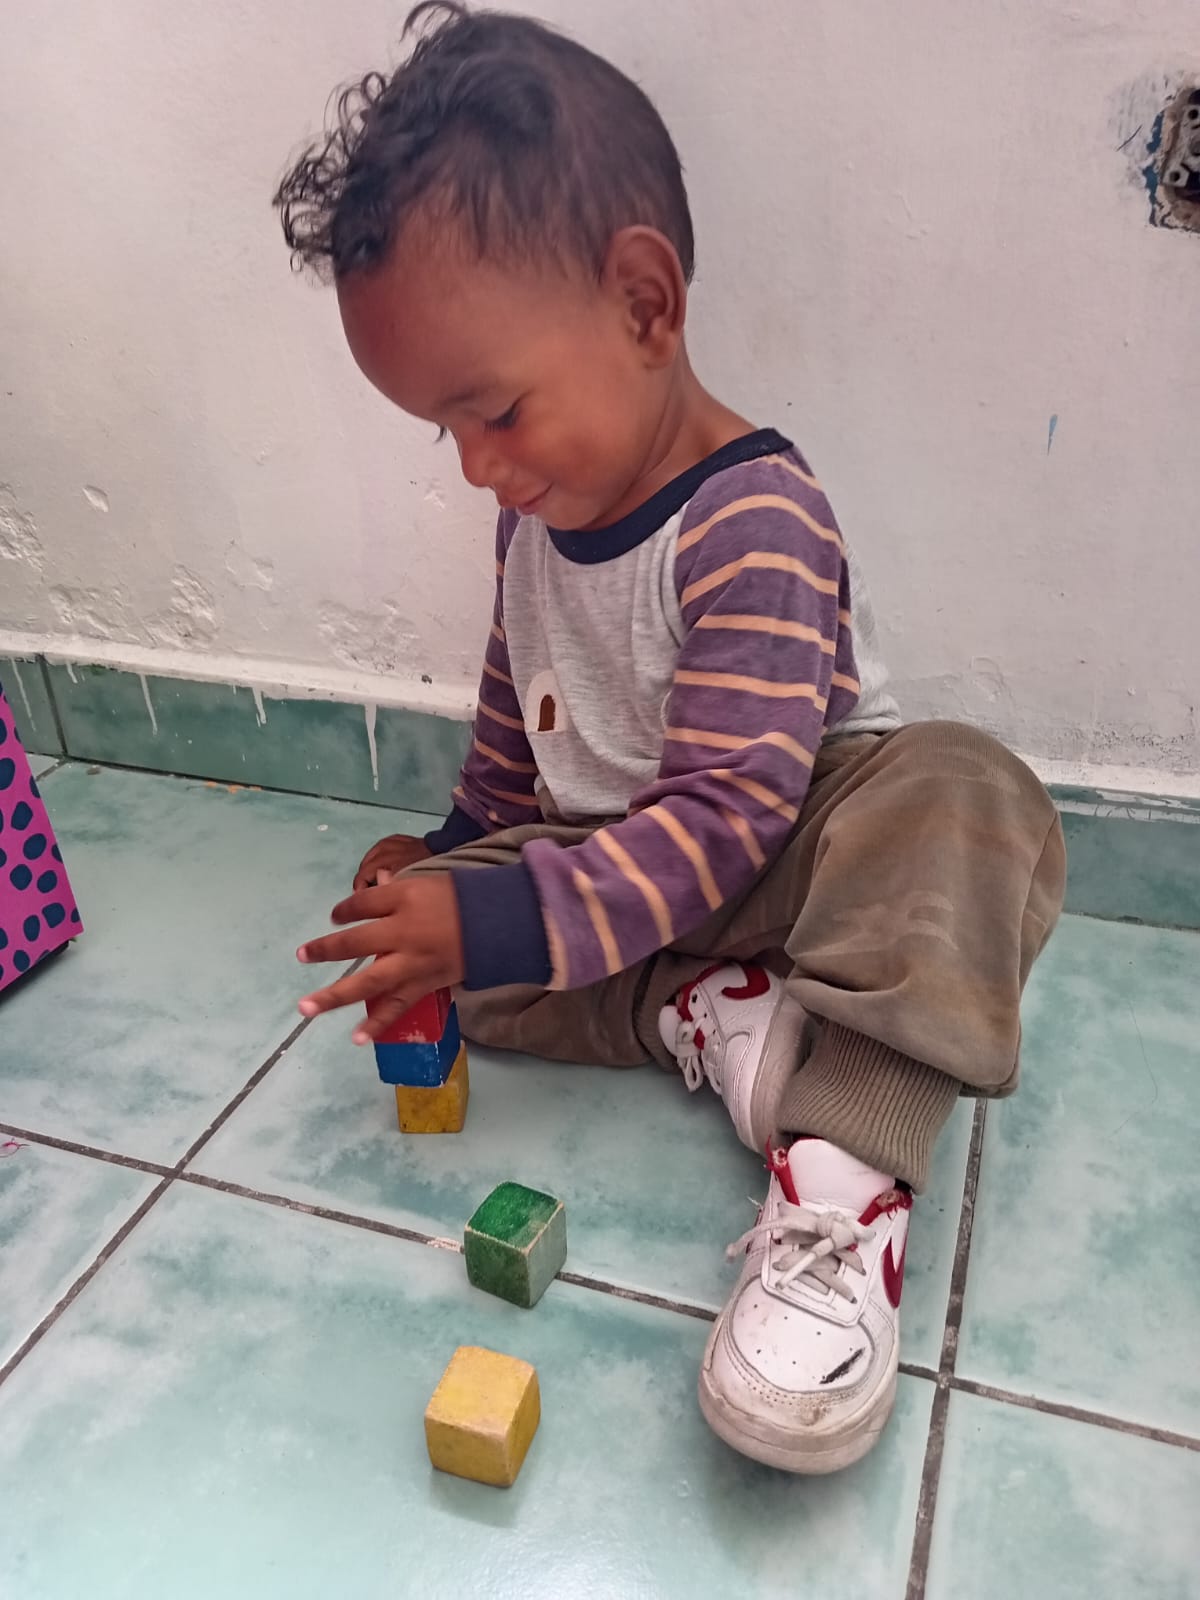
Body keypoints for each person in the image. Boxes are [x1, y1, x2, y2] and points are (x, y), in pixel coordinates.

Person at [276, 1, 1065, 1474]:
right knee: (451, 933)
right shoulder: (534, 524)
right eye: (445, 433)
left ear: (646, 305)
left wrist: (499, 911)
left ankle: (841, 1181)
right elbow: (516, 723)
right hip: (621, 872)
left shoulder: (753, 516)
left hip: (794, 855)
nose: (477, 468)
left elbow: (727, 817)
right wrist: (455, 864)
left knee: (967, 796)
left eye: (495, 412)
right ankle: (712, 1015)